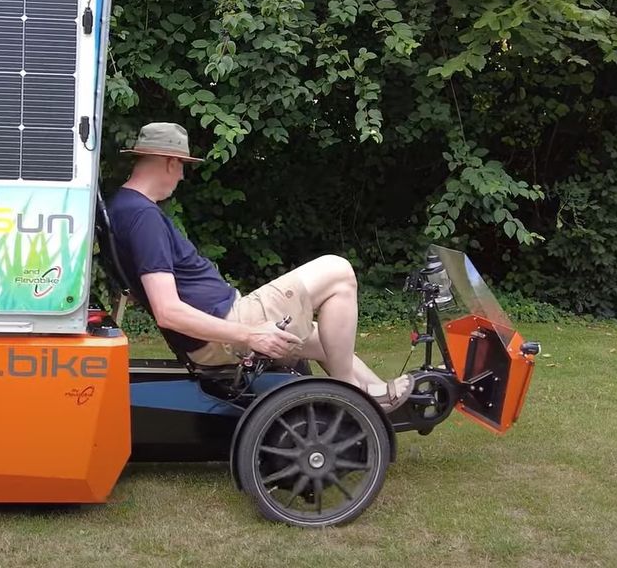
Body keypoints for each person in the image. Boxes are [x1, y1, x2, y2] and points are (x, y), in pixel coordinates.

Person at [106, 122, 412, 411]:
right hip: (224, 331)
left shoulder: (123, 205)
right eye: (182, 167)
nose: (182, 177)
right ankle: (351, 394)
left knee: (323, 338)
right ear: (170, 162)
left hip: (217, 325)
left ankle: (380, 397)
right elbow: (168, 311)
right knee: (338, 270)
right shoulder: (143, 217)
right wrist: (249, 335)